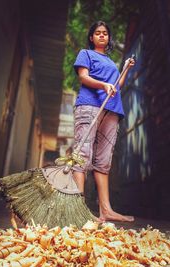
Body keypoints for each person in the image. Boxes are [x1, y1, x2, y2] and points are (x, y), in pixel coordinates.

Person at [72, 20, 135, 222]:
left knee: (103, 161)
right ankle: (78, 209)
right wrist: (102, 85)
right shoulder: (86, 54)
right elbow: (84, 77)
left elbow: (117, 85)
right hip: (90, 106)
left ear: (108, 38)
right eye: (98, 33)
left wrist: (125, 68)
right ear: (92, 37)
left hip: (112, 110)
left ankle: (106, 210)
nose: (102, 35)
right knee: (82, 155)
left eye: (105, 33)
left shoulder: (110, 62)